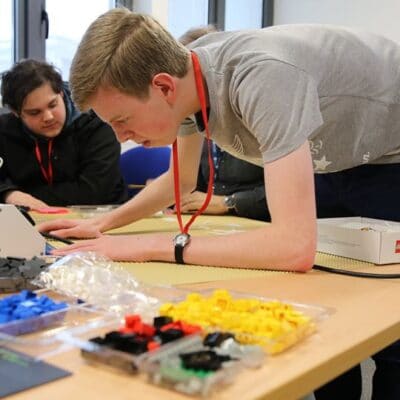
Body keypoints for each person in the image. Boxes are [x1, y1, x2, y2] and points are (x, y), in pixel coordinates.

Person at [38, 10, 400, 399]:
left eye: (122, 119)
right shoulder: (189, 80)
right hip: (335, 155)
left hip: (390, 154)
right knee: (332, 308)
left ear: (162, 88)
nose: (120, 135)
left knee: (387, 318)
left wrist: (152, 246)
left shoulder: (262, 77)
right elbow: (180, 181)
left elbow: (294, 247)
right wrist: (106, 223)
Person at [0, 59, 128, 209]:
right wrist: (8, 194)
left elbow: (92, 192)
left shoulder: (98, 122)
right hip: (30, 220)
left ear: (61, 93)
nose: (48, 117)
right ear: (16, 113)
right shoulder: (4, 129)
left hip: (103, 216)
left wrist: (21, 195)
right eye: (35, 112)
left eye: (53, 105)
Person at [177, 25, 270, 221]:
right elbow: (195, 187)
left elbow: (295, 189)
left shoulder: (258, 111)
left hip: (256, 220)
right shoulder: (198, 120)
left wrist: (229, 202)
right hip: (216, 222)